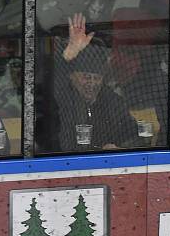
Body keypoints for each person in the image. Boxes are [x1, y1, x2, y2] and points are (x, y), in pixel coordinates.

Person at [47, 13, 137, 152]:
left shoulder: (113, 101)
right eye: (86, 77)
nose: (92, 83)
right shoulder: (61, 98)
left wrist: (120, 148)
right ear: (72, 77)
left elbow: (134, 134)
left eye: (97, 78)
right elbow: (48, 82)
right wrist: (69, 55)